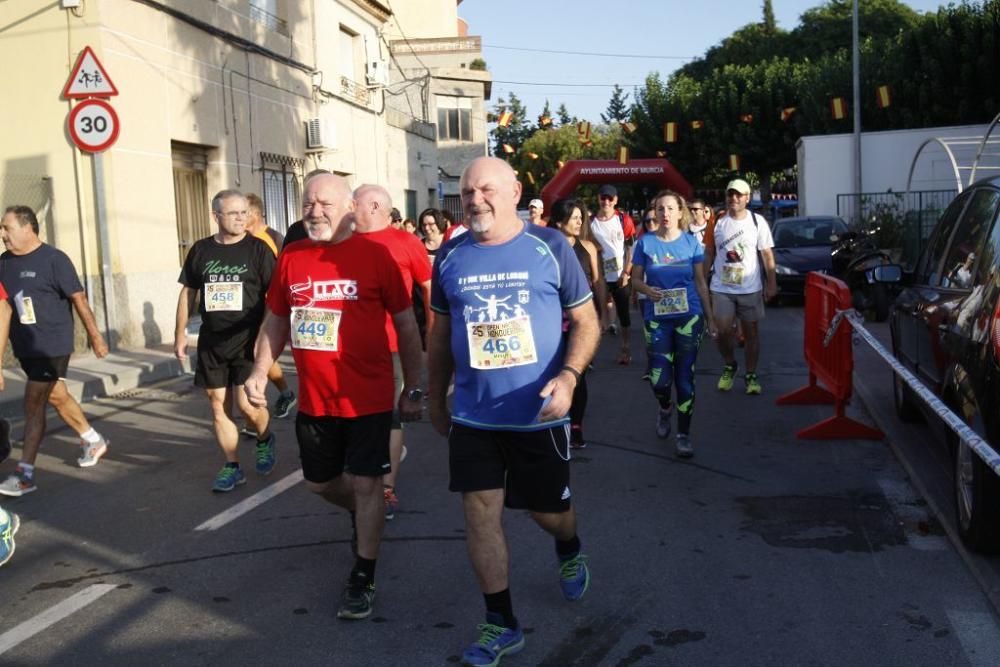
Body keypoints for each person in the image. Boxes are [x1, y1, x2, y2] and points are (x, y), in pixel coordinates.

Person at [427, 157, 600, 666]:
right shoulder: (451, 256)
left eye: (486, 190)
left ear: (516, 190)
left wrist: (569, 378)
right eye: (466, 192)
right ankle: (501, 622)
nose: (475, 199)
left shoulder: (550, 247)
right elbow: (439, 338)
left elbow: (587, 321)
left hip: (538, 413)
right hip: (475, 415)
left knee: (548, 513)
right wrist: (433, 397)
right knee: (480, 511)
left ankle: (568, 547)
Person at [246, 173, 423, 621]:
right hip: (315, 401)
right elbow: (275, 320)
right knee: (320, 482)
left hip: (368, 396)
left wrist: (415, 387)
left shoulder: (376, 255)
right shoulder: (293, 256)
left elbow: (406, 324)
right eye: (308, 203)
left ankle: (362, 574)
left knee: (366, 484)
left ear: (349, 208)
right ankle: (367, 512)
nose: (314, 210)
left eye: (324, 203)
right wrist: (257, 371)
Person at [0, 206, 110, 497]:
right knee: (57, 396)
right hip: (26, 345)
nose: (2, 234)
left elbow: (79, 299)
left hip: (54, 344)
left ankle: (25, 474)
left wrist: (96, 336)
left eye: (6, 228)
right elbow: (3, 310)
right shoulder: (4, 263)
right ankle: (92, 439)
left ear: (28, 228)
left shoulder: (54, 259)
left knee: (33, 403)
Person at [174, 190, 277, 492]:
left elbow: (274, 298)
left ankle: (264, 437)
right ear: (215, 216)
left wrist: (265, 334)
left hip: (248, 339)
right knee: (218, 406)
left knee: (248, 406)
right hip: (212, 340)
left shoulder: (259, 250)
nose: (240, 218)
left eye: (244, 212)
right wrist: (180, 333)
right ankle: (232, 466)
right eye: (233, 213)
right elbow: (188, 292)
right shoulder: (201, 250)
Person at [352, 184, 432, 521]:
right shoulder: (345, 243)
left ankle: (386, 488)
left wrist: (432, 333)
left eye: (352, 204)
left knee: (391, 415)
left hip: (394, 345)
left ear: (372, 206)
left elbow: (428, 288)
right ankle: (365, 476)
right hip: (351, 349)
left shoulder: (405, 242)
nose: (347, 209)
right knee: (357, 417)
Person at [631, 190, 717, 458]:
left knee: (685, 378)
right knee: (659, 379)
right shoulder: (645, 244)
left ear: (681, 213)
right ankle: (664, 407)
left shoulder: (692, 244)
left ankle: (684, 435)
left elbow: (701, 283)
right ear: (654, 213)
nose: (665, 213)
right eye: (660, 209)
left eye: (670, 208)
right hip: (657, 319)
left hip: (688, 316)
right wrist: (648, 289)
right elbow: (634, 280)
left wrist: (710, 318)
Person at [703, 179, 777, 395]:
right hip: (721, 287)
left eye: (739, 195)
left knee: (752, 333)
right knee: (722, 331)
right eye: (730, 194)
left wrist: (771, 283)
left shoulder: (757, 221)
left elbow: (766, 254)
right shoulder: (717, 221)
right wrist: (701, 279)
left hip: (750, 287)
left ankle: (751, 375)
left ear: (747, 198)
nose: (734, 198)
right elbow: (709, 252)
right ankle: (730, 364)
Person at [550, 198, 605, 450]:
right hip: (550, 321)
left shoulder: (588, 248)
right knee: (551, 371)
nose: (579, 221)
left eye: (580, 218)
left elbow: (598, 282)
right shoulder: (546, 246)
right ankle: (553, 420)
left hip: (579, 321)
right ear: (560, 221)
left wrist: (602, 313)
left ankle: (576, 424)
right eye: (574, 218)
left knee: (576, 373)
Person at [244, 194, 297, 419]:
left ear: (255, 215)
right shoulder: (244, 239)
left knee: (260, 356)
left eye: (242, 213)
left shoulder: (273, 239)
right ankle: (259, 409)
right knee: (256, 358)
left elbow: (282, 278)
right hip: (250, 307)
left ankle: (264, 406)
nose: (238, 218)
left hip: (269, 309)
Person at [590, 184, 636, 364]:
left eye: (610, 198)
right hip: (600, 277)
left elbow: (632, 247)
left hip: (619, 276)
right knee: (595, 316)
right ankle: (589, 356)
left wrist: (626, 273)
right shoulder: (591, 222)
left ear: (616, 200)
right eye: (603, 198)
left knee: (624, 315)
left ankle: (625, 349)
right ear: (598, 198)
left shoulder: (624, 220)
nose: (606, 202)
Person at [284, 169, 332, 246]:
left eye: (324, 203)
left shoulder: (347, 231)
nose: (316, 213)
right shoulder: (295, 231)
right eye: (310, 203)